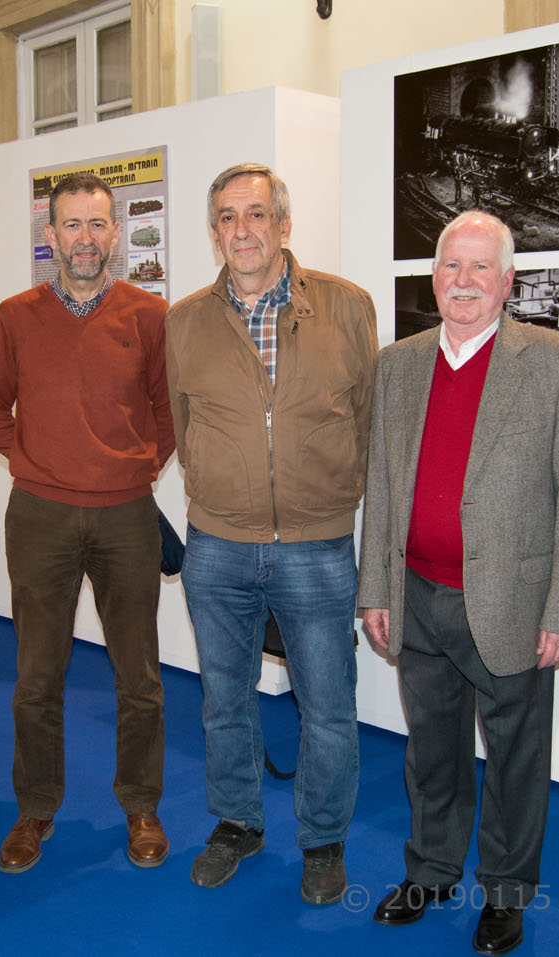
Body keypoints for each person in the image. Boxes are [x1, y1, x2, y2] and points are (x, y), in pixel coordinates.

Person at [356, 210, 559, 955]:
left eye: (480, 267)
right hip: (417, 595)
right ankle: (432, 870)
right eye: (450, 266)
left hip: (512, 603)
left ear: (507, 281)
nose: (463, 281)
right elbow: (382, 485)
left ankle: (506, 892)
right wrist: (376, 589)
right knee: (431, 751)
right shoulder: (398, 364)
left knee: (515, 757)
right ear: (433, 276)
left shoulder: (555, 362)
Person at [164, 162, 377, 906]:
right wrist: (222, 488)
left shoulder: (347, 307)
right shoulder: (184, 321)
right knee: (224, 698)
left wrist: (329, 497)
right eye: (227, 217)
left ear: (284, 225)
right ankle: (237, 822)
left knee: (328, 705)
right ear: (214, 231)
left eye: (256, 214)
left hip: (317, 545)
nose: (242, 230)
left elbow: (368, 421)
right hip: (218, 545)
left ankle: (323, 839)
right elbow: (183, 426)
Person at [0, 171, 175, 875]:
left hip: (126, 516)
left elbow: (168, 412)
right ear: (51, 234)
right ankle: (35, 809)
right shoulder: (15, 316)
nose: (84, 239)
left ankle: (142, 806)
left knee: (139, 676)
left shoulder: (150, 315)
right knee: (36, 676)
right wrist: (38, 462)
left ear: (115, 233)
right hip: (39, 518)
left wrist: (136, 467)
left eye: (97, 224)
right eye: (71, 225)